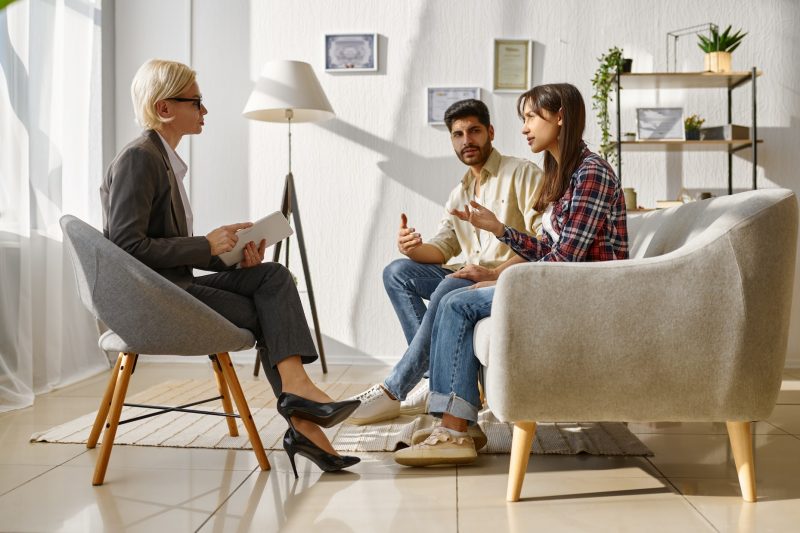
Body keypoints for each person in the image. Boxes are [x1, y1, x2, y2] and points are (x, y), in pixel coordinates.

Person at [100, 59, 360, 477]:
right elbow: (126, 247)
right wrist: (204, 244)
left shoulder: (162, 160)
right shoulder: (140, 159)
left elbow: (160, 244)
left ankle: (299, 398)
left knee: (272, 274)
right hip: (155, 299)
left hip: (173, 285)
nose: (205, 111)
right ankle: (304, 420)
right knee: (268, 313)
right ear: (165, 108)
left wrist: (226, 252)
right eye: (196, 102)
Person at [394, 83, 628, 466]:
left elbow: (566, 259)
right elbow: (550, 248)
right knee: (453, 292)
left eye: (531, 117)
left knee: (457, 301)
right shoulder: (564, 174)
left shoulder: (591, 173)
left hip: (584, 293)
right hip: (561, 283)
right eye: (524, 119)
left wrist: (501, 278)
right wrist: (500, 230)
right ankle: (460, 424)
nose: (525, 128)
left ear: (560, 117)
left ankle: (452, 430)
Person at [345, 100, 542, 439]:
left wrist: (494, 273)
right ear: (452, 141)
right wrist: (410, 246)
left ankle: (395, 389)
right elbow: (441, 248)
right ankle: (435, 378)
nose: (467, 140)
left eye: (475, 131)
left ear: (490, 132)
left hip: (506, 277)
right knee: (397, 271)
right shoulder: (460, 192)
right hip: (469, 276)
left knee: (451, 285)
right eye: (458, 134)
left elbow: (542, 243)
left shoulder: (521, 173)